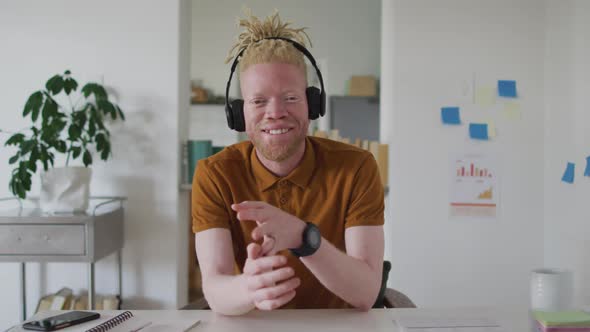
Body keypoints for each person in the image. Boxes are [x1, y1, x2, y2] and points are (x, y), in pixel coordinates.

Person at [192, 9, 384, 316]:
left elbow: (366, 292)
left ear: (312, 104)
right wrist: (250, 288)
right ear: (239, 113)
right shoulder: (214, 174)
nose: (276, 112)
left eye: (291, 97)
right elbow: (216, 289)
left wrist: (303, 238)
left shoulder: (357, 167)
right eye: (258, 100)